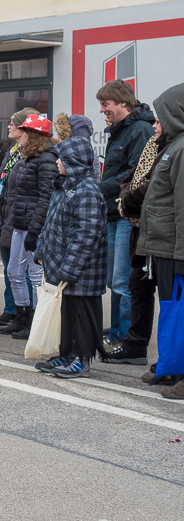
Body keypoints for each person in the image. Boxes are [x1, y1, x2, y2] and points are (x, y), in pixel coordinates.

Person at [33, 137, 109, 379]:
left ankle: (82, 359)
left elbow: (86, 236)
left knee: (82, 316)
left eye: (61, 159)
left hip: (83, 271)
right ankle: (67, 354)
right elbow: (50, 223)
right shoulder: (64, 186)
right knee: (67, 316)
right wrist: (41, 250)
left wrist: (69, 269)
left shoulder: (87, 191)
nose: (57, 162)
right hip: (64, 267)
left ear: (74, 162)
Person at [95, 79, 156, 352]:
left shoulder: (140, 130)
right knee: (113, 280)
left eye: (105, 104)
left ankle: (126, 337)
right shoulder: (119, 130)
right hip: (112, 212)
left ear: (123, 103)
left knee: (123, 280)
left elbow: (134, 174)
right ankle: (117, 329)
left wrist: (98, 188)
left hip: (126, 215)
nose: (102, 110)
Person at [136, 82, 184, 398]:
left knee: (179, 312)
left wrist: (182, 255)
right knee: (171, 311)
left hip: (175, 250)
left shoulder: (181, 149)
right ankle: (172, 367)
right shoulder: (172, 146)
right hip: (164, 248)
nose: (156, 124)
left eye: (160, 117)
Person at [104, 118, 164, 367]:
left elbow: (153, 186)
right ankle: (130, 343)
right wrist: (127, 195)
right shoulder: (153, 144)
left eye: (159, 121)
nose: (154, 125)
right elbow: (131, 179)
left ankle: (168, 360)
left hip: (157, 231)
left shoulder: (170, 148)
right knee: (133, 284)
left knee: (163, 297)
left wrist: (128, 199)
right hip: (139, 227)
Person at [0, 114, 58, 339]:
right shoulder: (27, 158)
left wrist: (35, 229)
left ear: (34, 136)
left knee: (35, 276)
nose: (20, 134)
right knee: (14, 272)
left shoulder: (46, 160)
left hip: (33, 227)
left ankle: (35, 320)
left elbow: (46, 197)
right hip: (20, 225)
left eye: (24, 131)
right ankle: (21, 316)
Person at [0, 108, 40, 326]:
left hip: (17, 216)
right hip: (5, 215)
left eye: (13, 123)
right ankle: (12, 309)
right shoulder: (12, 152)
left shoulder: (31, 155)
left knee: (21, 269)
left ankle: (25, 313)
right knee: (10, 268)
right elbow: (1, 182)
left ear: (24, 129)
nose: (9, 126)